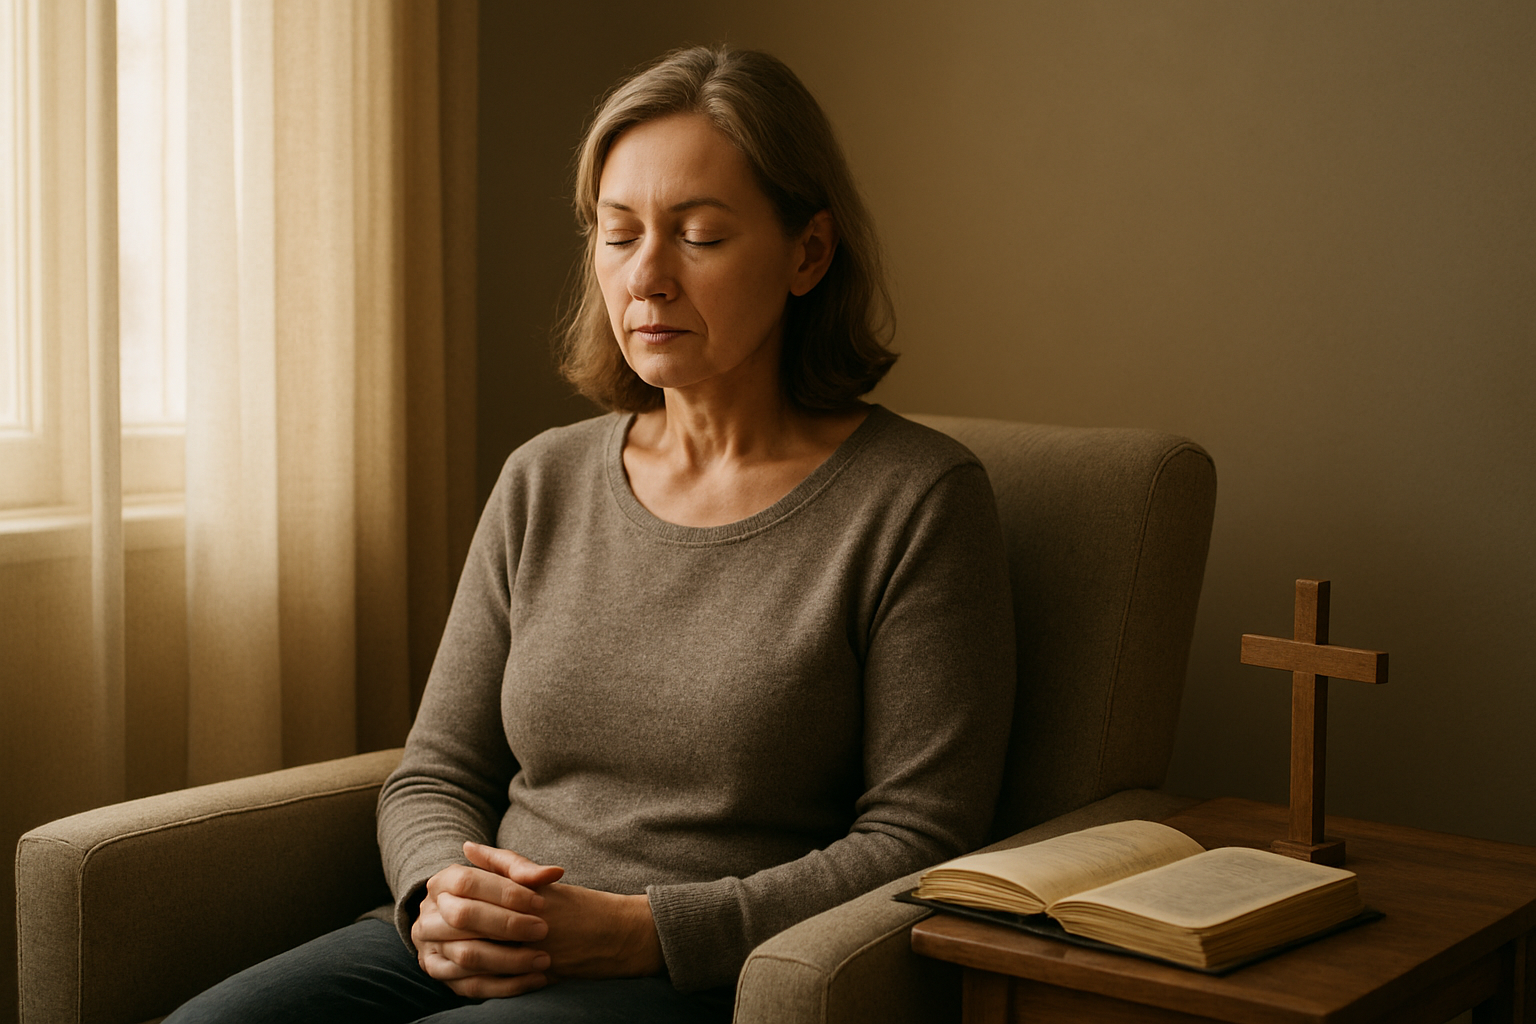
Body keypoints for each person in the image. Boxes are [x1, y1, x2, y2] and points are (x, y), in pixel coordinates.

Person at [162, 44, 1015, 1023]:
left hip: (696, 974)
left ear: (808, 253)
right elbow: (436, 770)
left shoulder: (917, 500)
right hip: (491, 933)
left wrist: (642, 930)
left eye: (698, 235)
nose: (646, 277)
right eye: (618, 234)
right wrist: (442, 890)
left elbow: (921, 840)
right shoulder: (544, 479)